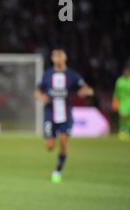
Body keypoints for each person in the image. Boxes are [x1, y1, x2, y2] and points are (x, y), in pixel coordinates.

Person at [34, 49, 94, 183]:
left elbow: (87, 89)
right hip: (50, 114)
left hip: (66, 115)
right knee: (49, 146)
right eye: (56, 56)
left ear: (64, 59)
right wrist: (41, 97)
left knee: (62, 141)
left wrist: (85, 92)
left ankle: (58, 170)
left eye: (60, 56)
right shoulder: (47, 75)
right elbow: (37, 91)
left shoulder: (72, 75)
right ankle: (55, 151)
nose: (58, 59)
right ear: (52, 59)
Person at [112, 60, 130, 141]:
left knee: (129, 117)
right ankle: (123, 131)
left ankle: (128, 131)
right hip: (122, 101)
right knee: (123, 116)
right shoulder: (119, 81)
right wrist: (115, 101)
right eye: (125, 71)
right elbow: (116, 93)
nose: (126, 72)